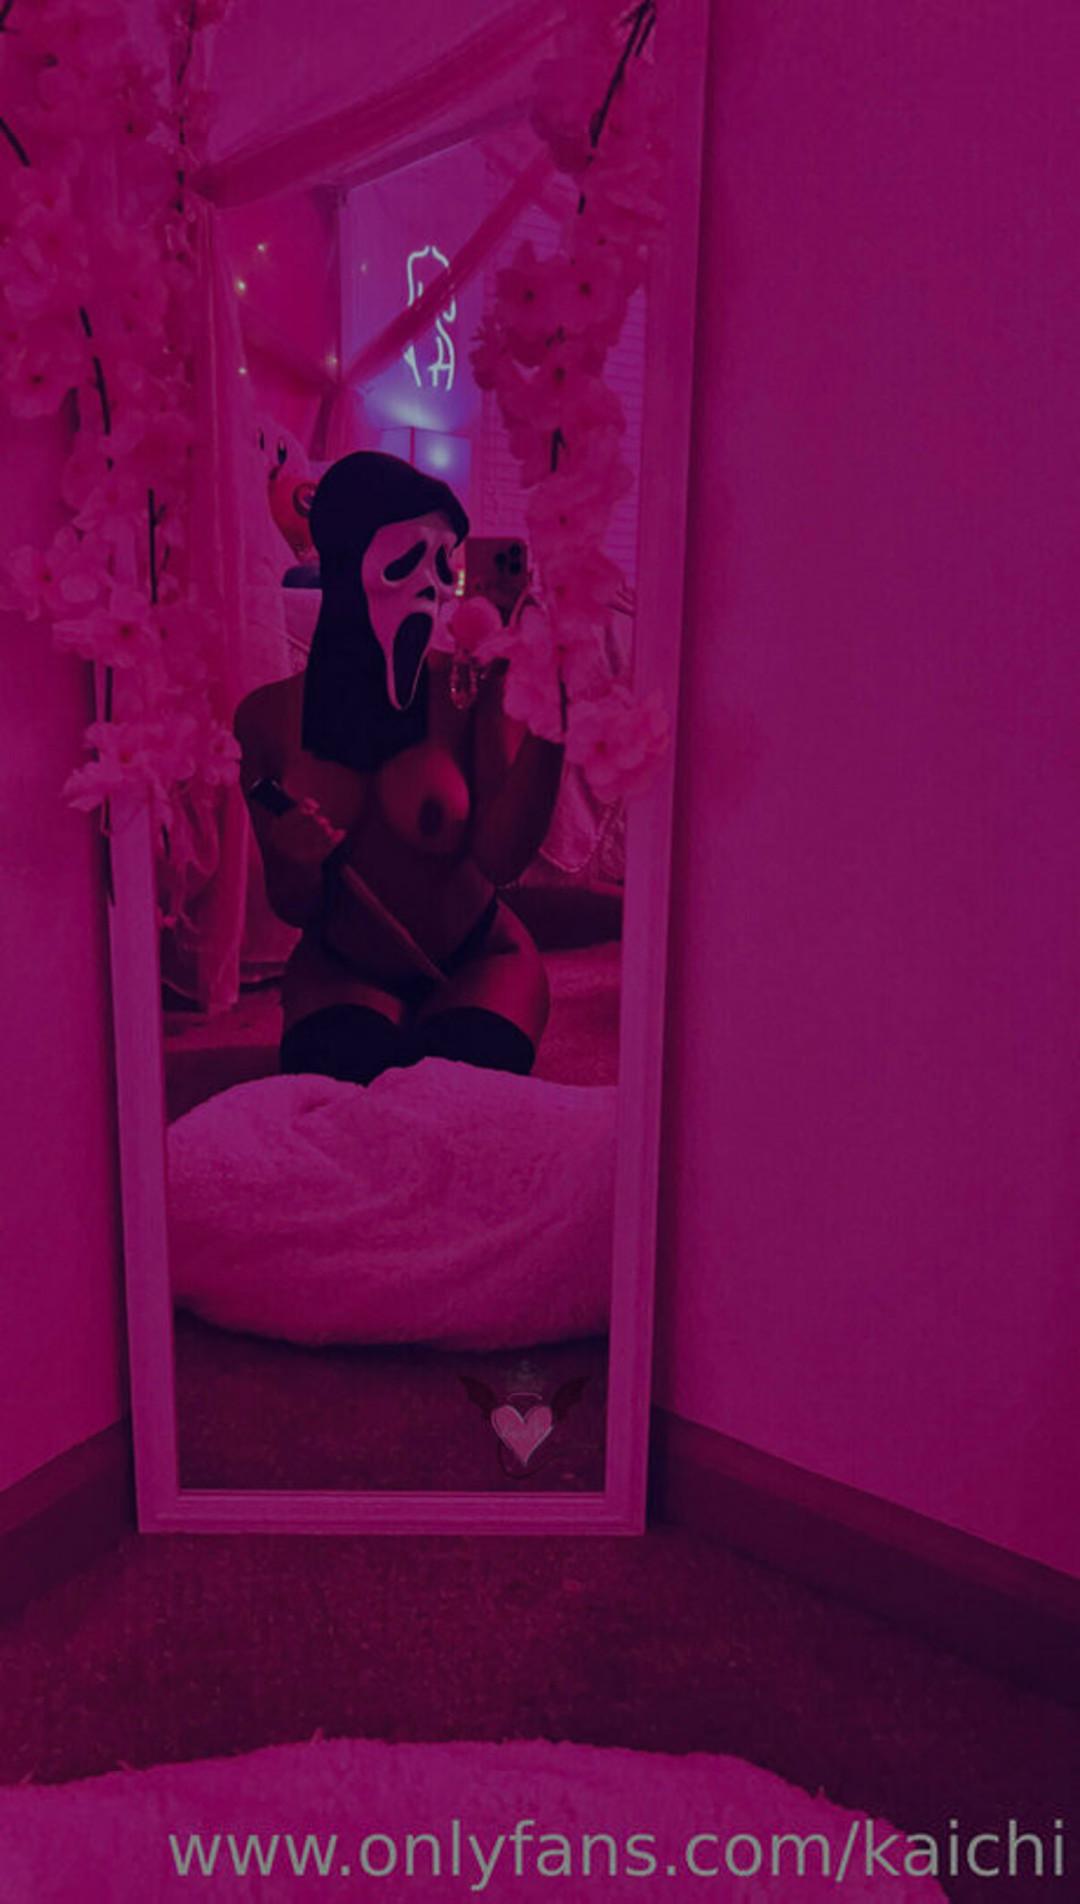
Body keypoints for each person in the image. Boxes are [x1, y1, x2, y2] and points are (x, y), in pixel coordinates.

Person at [234, 451, 563, 1085]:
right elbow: (294, 904)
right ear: (345, 558)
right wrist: (296, 856)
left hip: (478, 955)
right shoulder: (265, 718)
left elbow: (502, 859)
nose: (432, 587)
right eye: (406, 560)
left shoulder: (468, 689)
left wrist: (555, 724)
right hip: (341, 964)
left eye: (444, 564)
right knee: (340, 1072)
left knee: (469, 1079)